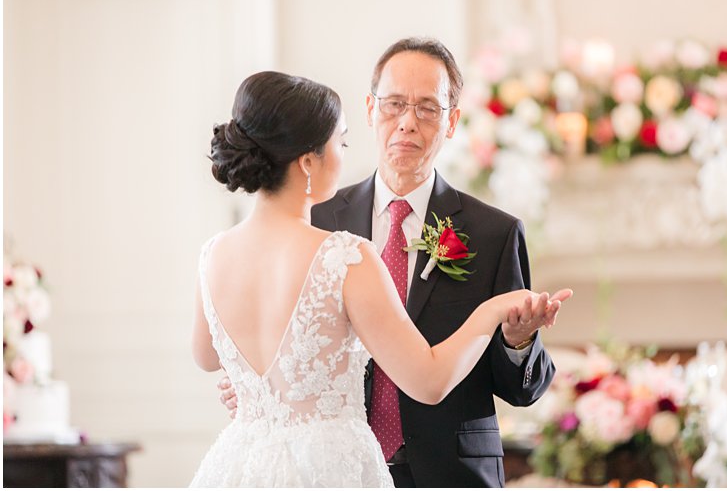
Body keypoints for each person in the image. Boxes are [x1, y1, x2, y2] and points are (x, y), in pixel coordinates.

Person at [191, 70, 570, 487]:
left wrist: (265, 387)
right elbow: (428, 381)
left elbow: (208, 357)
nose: (345, 154)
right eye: (341, 142)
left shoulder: (213, 253)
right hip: (329, 470)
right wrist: (494, 308)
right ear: (307, 162)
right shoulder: (344, 255)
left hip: (243, 467)